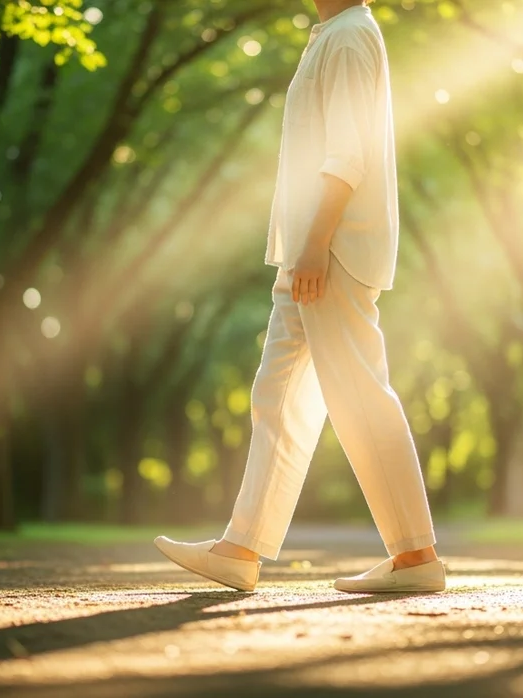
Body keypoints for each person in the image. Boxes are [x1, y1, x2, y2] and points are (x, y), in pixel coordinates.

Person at [154, 0, 444, 594]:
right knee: (279, 398)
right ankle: (241, 548)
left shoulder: (348, 37)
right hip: (310, 251)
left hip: (330, 249)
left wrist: (315, 244)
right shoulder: (333, 34)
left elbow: (347, 155)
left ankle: (417, 558)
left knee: (360, 393)